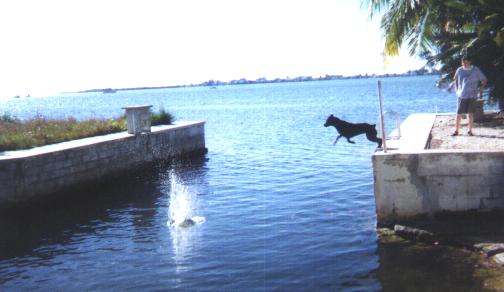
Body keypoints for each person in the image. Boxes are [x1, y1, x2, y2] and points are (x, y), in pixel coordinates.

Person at [452, 55, 487, 136]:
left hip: (472, 95)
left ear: (470, 62)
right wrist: (457, 90)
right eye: (463, 62)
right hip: (461, 95)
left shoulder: (476, 70)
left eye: (466, 62)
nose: (464, 64)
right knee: (458, 113)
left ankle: (470, 131)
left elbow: (484, 80)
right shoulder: (459, 70)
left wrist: (480, 90)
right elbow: (455, 80)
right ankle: (456, 131)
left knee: (470, 114)